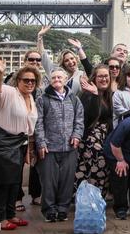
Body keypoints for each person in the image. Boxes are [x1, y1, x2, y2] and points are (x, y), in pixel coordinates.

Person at [0, 55, 40, 230]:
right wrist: (0, 73)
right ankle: (1, 218)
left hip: (18, 144)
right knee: (3, 182)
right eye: (26, 80)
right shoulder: (10, 93)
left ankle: (11, 215)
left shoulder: (31, 99)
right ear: (18, 81)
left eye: (33, 81)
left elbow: (27, 128)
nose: (29, 83)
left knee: (15, 181)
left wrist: (27, 150)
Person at [35, 67, 84, 222]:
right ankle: (49, 210)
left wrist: (77, 135)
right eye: (54, 78)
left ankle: (63, 209)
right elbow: (38, 123)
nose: (57, 80)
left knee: (67, 180)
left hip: (69, 147)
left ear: (65, 80)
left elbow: (79, 120)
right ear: (50, 80)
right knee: (49, 181)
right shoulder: (42, 99)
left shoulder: (74, 99)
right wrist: (41, 142)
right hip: (49, 148)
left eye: (59, 78)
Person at [4, 50, 46, 212]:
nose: (35, 62)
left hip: (34, 130)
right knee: (17, 165)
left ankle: (36, 194)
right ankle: (17, 197)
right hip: (17, 131)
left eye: (38, 59)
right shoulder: (13, 79)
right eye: (31, 59)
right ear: (24, 60)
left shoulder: (40, 83)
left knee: (37, 164)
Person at [75, 65, 113, 196]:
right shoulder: (87, 94)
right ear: (94, 78)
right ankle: (88, 199)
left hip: (104, 137)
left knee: (103, 168)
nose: (104, 79)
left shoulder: (108, 95)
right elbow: (90, 116)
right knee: (93, 168)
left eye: (106, 76)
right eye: (100, 76)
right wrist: (95, 94)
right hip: (90, 139)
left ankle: (97, 198)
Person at [38, 26, 91, 96]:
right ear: (63, 64)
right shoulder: (57, 74)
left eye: (72, 58)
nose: (70, 62)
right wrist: (40, 37)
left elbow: (88, 66)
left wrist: (79, 49)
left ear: (76, 59)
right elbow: (43, 56)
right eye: (66, 60)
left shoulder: (83, 75)